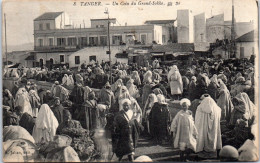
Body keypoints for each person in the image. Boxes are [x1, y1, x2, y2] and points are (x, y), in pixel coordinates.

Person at [195, 94, 222, 158]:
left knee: (204, 136)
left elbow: (199, 117)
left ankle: (204, 150)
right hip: (214, 126)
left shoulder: (202, 107)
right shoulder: (216, 108)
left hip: (204, 126)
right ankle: (212, 149)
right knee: (214, 136)